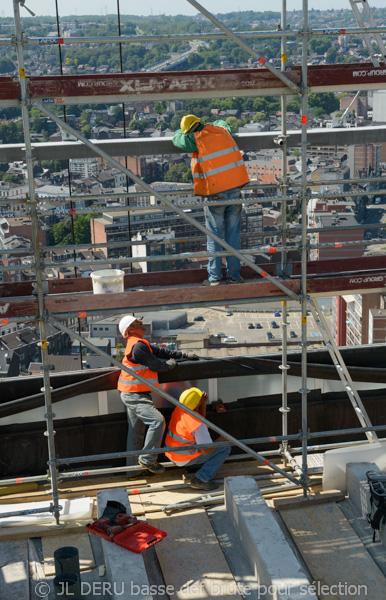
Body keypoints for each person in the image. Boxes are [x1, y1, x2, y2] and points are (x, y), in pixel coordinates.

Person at [173, 114, 249, 286]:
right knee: (233, 235)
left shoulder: (195, 139)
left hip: (215, 192)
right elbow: (224, 123)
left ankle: (215, 278)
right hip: (235, 189)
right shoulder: (222, 131)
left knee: (214, 236)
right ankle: (234, 276)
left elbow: (177, 139)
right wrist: (213, 123)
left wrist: (181, 130)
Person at [117, 315, 198, 478]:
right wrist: (168, 366)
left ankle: (133, 472)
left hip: (133, 393)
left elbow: (161, 352)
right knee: (157, 421)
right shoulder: (137, 346)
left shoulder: (140, 344)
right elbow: (155, 363)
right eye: (137, 322)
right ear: (130, 330)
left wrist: (183, 355)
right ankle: (147, 459)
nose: (141, 323)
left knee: (136, 432)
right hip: (134, 394)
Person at [165, 387, 231, 491]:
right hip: (184, 458)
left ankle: (194, 467)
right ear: (196, 404)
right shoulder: (197, 425)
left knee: (203, 443)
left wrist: (202, 404)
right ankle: (201, 479)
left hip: (172, 454)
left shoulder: (179, 409)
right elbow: (205, 450)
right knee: (225, 447)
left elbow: (198, 418)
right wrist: (220, 441)